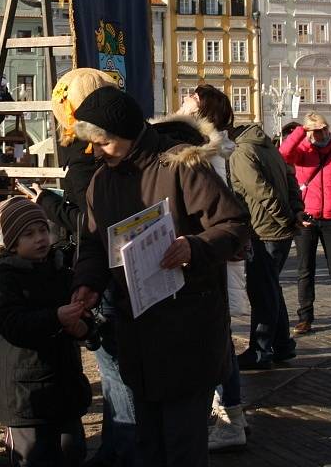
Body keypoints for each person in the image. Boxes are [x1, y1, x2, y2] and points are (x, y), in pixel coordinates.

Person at [70, 87, 250, 467]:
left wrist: (194, 248)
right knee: (148, 445)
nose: (96, 152)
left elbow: (232, 224)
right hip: (136, 332)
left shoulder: (180, 165)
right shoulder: (101, 183)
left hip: (187, 330)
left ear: (128, 135)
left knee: (183, 446)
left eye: (103, 143)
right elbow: (91, 244)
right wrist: (86, 283)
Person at [18, 67, 137, 467]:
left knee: (116, 367)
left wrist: (47, 203)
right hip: (111, 266)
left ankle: (123, 449)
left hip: (106, 270)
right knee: (116, 364)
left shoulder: (91, 157)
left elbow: (90, 223)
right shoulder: (111, 147)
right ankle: (119, 444)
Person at [0, 196, 91, 467]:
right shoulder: (7, 279)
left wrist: (83, 328)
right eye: (29, 233)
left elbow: (86, 319)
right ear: (12, 242)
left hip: (65, 387)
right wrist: (55, 317)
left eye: (43, 230)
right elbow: (13, 325)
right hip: (26, 394)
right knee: (33, 458)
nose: (40, 238)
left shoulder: (62, 271)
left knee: (72, 452)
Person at [178, 85, 248, 452]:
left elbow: (218, 214)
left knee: (218, 345)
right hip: (211, 256)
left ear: (203, 111)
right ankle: (227, 415)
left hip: (210, 258)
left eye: (189, 100)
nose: (182, 102)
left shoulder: (208, 150)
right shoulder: (214, 146)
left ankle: (230, 419)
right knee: (219, 343)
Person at [229, 123, 303, 370]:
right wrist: (294, 211)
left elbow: (261, 192)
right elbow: (291, 179)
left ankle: (260, 351)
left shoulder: (241, 153)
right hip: (279, 230)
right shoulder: (269, 147)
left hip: (264, 231)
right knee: (271, 288)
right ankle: (283, 345)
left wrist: (284, 216)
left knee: (262, 292)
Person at [279, 112, 331, 336]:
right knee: (305, 270)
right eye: (315, 131)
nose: (320, 134)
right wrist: (302, 130)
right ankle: (305, 317)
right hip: (307, 218)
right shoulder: (303, 151)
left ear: (328, 128)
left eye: (323, 129)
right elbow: (283, 154)